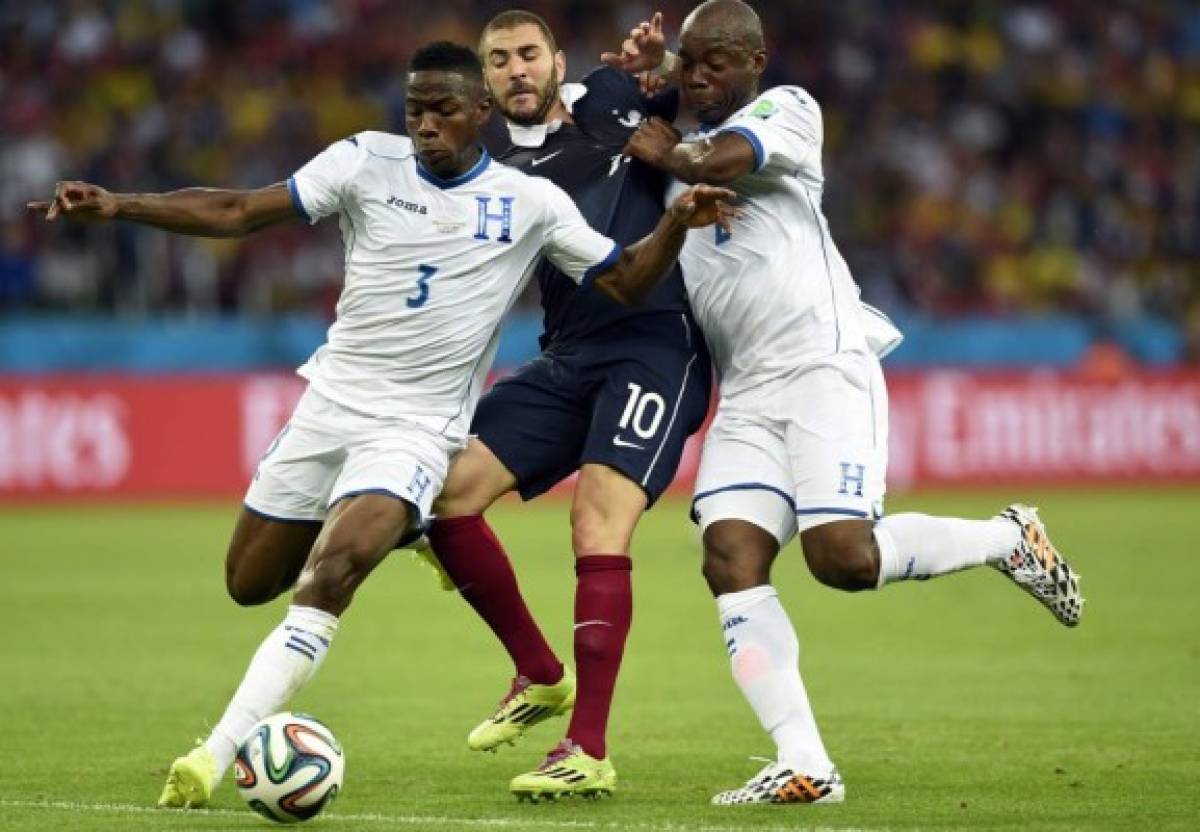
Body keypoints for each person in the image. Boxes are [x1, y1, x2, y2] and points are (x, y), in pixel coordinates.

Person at [27, 41, 735, 809]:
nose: (426, 125)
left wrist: (678, 224)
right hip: (328, 407)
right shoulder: (364, 161)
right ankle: (455, 583)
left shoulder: (527, 201)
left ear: (480, 115)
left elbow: (626, 280)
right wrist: (122, 205)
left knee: (330, 575)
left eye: (442, 110)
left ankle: (211, 754)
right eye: (415, 110)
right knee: (248, 582)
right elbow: (239, 210)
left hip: (416, 430)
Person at [610, 1, 1085, 805]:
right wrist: (645, 95)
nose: (699, 76)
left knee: (844, 562)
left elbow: (726, 157)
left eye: (716, 60)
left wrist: (674, 151)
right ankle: (805, 763)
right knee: (729, 556)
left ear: (756, 60)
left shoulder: (787, 111)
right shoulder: (668, 172)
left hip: (823, 367)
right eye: (690, 63)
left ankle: (1007, 537)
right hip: (749, 390)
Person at [419, 10, 712, 801]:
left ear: (556, 60)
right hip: (567, 355)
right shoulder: (483, 172)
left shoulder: (612, 98)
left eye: (527, 54)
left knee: (595, 519)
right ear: (483, 82)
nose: (516, 70)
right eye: (499, 61)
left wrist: (670, 60)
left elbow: (710, 86)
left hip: (655, 345)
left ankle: (587, 747)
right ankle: (541, 673)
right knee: (440, 498)